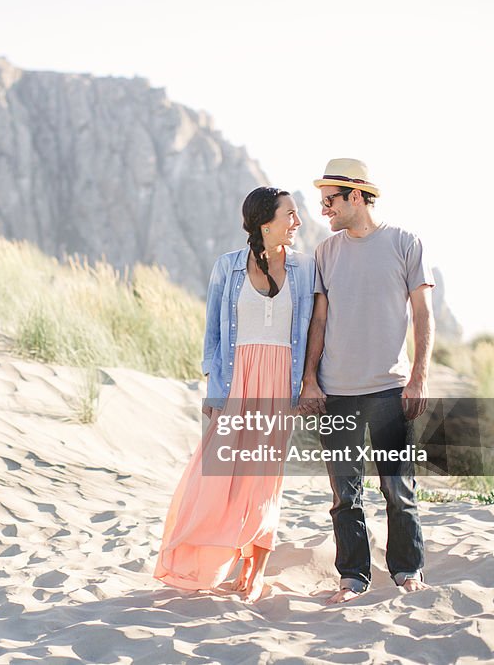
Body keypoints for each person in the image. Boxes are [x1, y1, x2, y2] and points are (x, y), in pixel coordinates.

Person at [154, 186, 316, 602]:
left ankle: (254, 571)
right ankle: (203, 558)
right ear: (266, 222)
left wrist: (307, 383)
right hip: (235, 380)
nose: (297, 222)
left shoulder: (304, 268)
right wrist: (213, 388)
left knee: (263, 479)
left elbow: (315, 326)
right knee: (216, 476)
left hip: (279, 381)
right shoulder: (228, 267)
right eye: (290, 215)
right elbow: (212, 331)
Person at [299, 158, 434, 604]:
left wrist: (418, 378)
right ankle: (353, 576)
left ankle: (407, 569)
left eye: (330, 201)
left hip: (390, 388)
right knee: (345, 493)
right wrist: (309, 381)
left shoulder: (405, 243)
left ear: (356, 196)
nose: (324, 210)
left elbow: (422, 314)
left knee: (398, 485)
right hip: (335, 391)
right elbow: (318, 321)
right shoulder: (325, 252)